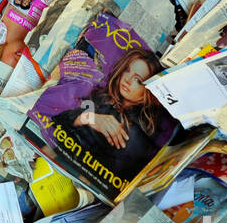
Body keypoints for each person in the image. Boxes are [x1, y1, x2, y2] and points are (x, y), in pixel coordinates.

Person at [50, 47, 177, 183]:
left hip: (76, 181)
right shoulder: (100, 97)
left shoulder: (137, 132)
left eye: (138, 80)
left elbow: (97, 178)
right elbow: (56, 122)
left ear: (149, 92)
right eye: (127, 70)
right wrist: (88, 118)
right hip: (54, 162)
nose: (127, 80)